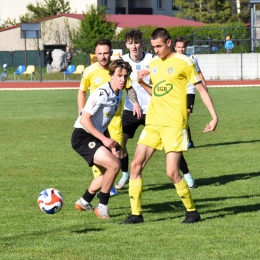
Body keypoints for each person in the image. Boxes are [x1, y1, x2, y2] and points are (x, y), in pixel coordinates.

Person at [120, 28, 218, 224]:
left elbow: (201, 89)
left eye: (158, 46)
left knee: (172, 172)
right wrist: (142, 82)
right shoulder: (154, 64)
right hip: (153, 122)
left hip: (174, 124)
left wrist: (214, 116)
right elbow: (157, 92)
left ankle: (192, 212)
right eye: (153, 46)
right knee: (135, 166)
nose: (155, 50)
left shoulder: (184, 62)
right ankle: (136, 214)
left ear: (169, 42)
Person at [77, 38, 141, 196]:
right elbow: (82, 90)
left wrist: (135, 103)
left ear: (111, 53)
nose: (103, 56)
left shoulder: (117, 69)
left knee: (116, 154)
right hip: (96, 120)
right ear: (95, 54)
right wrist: (81, 110)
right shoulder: (89, 71)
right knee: (98, 154)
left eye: (106, 53)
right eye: (99, 53)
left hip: (115, 119)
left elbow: (129, 87)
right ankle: (105, 187)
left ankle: (110, 180)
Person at [71, 59, 132, 219]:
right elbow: (84, 119)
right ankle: (102, 206)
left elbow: (102, 123)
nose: (122, 79)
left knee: (107, 172)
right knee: (114, 165)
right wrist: (104, 140)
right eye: (119, 75)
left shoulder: (118, 93)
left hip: (96, 135)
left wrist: (109, 139)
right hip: (82, 135)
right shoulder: (101, 93)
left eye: (125, 76)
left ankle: (84, 201)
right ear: (111, 75)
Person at [115, 30, 154, 190]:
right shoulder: (122, 61)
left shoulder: (152, 59)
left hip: (152, 109)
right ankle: (125, 173)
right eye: (130, 43)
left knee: (168, 142)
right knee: (119, 144)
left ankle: (185, 175)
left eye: (136, 42)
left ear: (142, 43)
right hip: (130, 110)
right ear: (126, 45)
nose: (134, 46)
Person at [174, 37, 208, 149]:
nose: (181, 49)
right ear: (175, 48)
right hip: (177, 92)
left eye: (183, 47)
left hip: (190, 91)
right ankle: (187, 140)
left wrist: (204, 88)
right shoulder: (172, 60)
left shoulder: (192, 59)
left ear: (186, 47)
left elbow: (199, 73)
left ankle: (186, 140)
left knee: (185, 114)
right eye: (178, 47)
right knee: (179, 118)